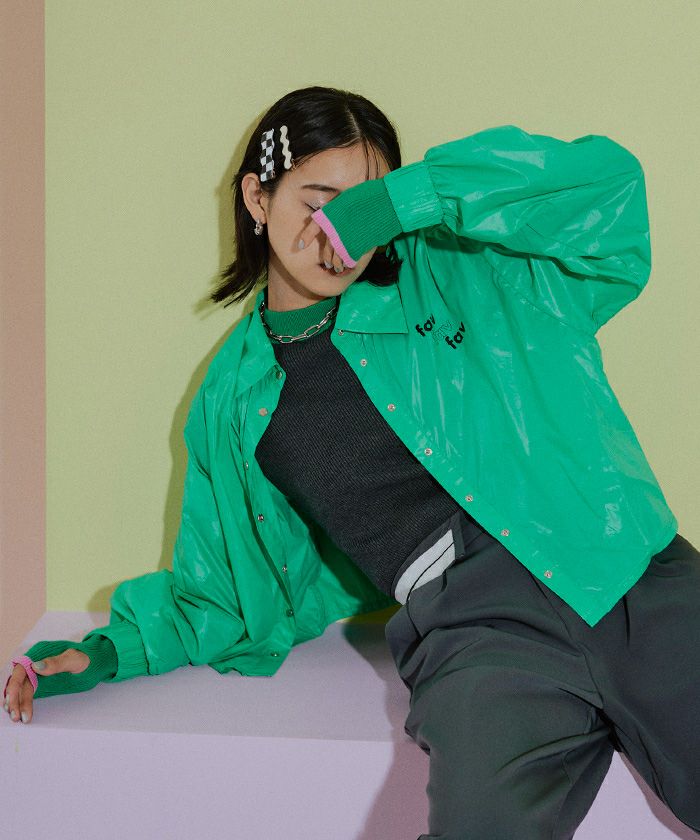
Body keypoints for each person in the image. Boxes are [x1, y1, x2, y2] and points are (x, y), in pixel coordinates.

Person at [4, 85, 699, 838]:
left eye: (364, 209)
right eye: (319, 203)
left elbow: (608, 195)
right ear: (258, 199)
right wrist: (111, 652)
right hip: (478, 637)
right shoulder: (235, 399)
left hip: (623, 567)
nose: (340, 235)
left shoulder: (461, 267)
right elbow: (228, 589)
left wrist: (412, 202)